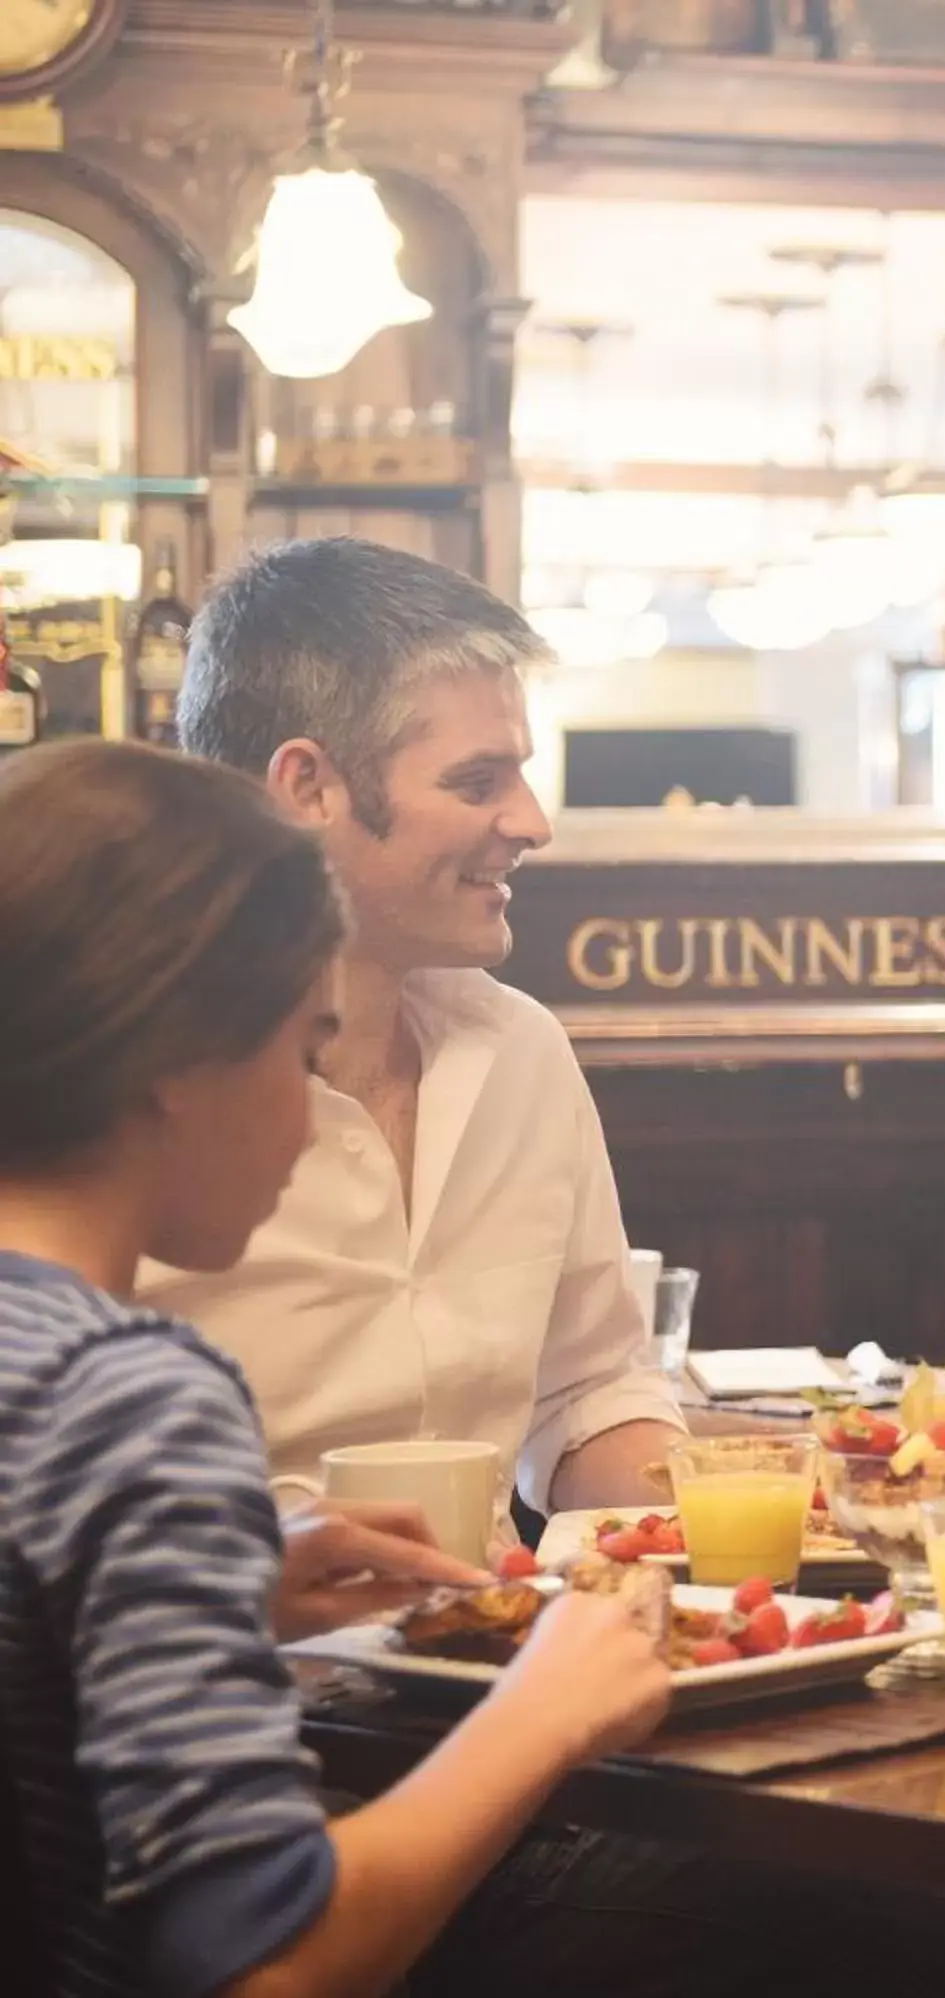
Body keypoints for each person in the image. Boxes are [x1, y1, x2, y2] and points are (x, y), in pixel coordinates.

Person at [0, 739, 675, 1998]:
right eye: (302, 1055)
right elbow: (268, 1968)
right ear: (175, 1064)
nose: (317, 1121)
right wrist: (549, 1710)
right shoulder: (128, 1396)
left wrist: (223, 1592)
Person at [147, 537, 684, 1540]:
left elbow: (588, 1392)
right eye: (478, 782)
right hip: (226, 1676)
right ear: (306, 789)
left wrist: (776, 1501)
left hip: (501, 1661)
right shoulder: (126, 1085)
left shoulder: (522, 1051)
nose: (533, 822)